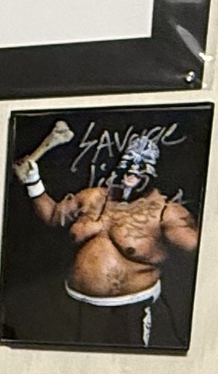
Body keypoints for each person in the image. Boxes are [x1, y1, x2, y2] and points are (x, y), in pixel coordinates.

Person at [12, 122, 198, 340]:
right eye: (128, 162)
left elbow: (202, 255)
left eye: (141, 165)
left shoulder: (167, 213)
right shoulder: (92, 197)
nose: (132, 171)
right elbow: (53, 215)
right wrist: (33, 182)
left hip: (129, 311)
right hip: (73, 306)